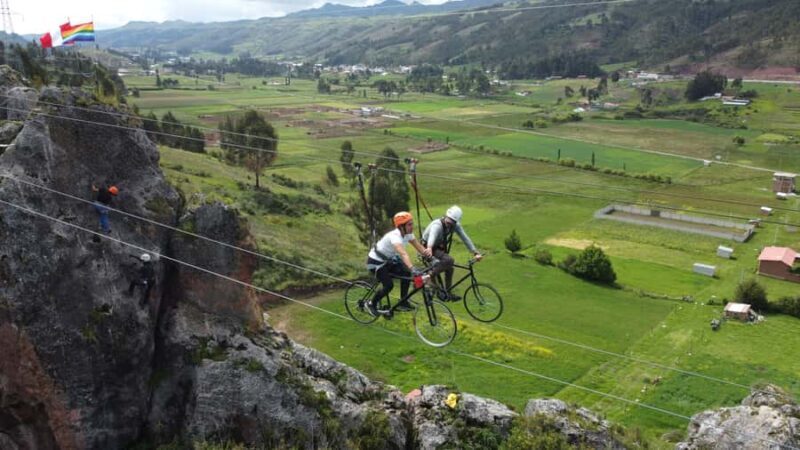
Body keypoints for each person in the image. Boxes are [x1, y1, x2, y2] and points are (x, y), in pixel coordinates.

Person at [365, 211, 432, 316]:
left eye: (412, 223)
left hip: (388, 260)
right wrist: (412, 268)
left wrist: (430, 256)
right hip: (375, 262)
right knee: (388, 285)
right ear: (401, 226)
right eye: (409, 224)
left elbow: (419, 247)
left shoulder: (408, 234)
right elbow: (403, 254)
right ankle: (372, 304)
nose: (412, 226)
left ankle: (403, 302)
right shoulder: (395, 236)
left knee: (406, 273)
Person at [421, 205, 482, 301]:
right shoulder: (437, 225)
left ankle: (447, 293)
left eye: (453, 222)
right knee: (449, 260)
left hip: (437, 247)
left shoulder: (455, 225)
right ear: (445, 216)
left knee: (450, 268)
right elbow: (432, 236)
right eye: (449, 221)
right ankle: (428, 276)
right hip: (427, 247)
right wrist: (429, 248)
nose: (450, 224)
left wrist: (475, 252)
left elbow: (465, 238)